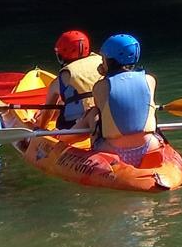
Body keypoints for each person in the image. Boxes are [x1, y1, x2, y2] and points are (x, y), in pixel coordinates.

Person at [85, 33, 162, 163]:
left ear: (108, 59)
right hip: (150, 146)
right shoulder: (150, 80)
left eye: (103, 58)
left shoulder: (100, 86)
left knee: (93, 112)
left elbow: (103, 113)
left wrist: (104, 74)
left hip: (111, 149)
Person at [41, 30, 105, 131]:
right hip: (103, 120)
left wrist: (39, 128)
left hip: (74, 127)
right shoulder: (102, 63)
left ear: (61, 55)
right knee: (63, 103)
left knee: (62, 104)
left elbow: (48, 112)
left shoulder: (62, 77)